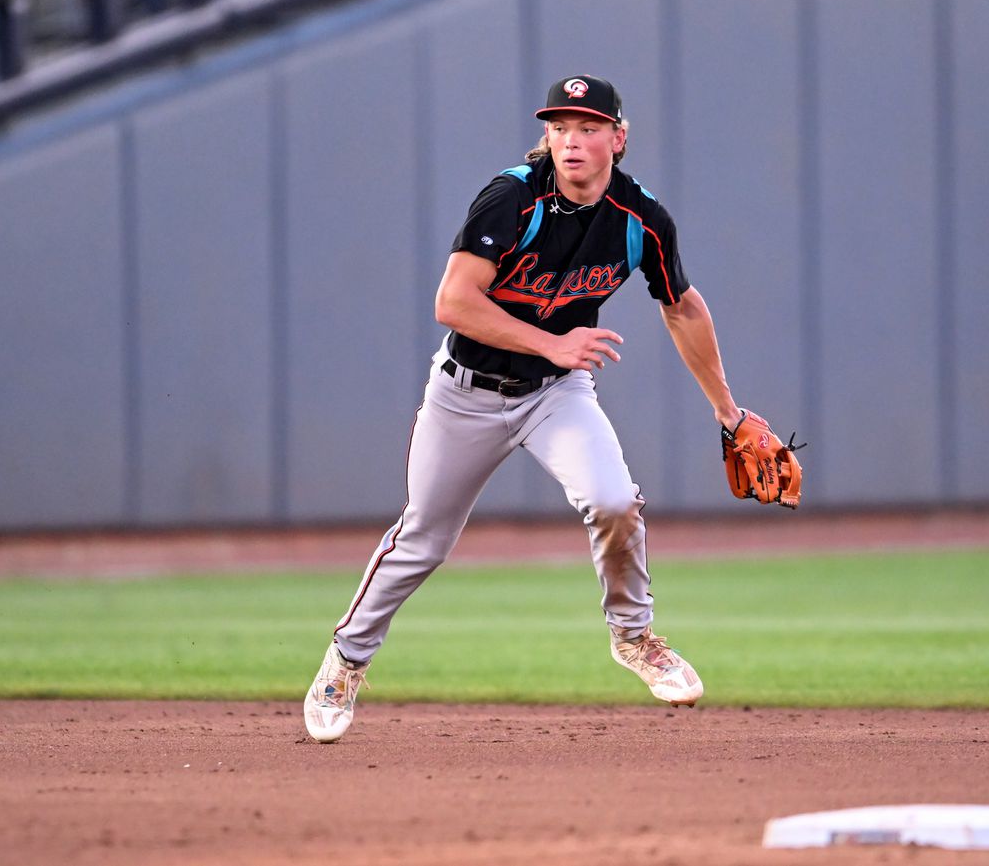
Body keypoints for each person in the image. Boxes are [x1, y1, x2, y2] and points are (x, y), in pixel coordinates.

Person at [304, 74, 745, 744]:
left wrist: (728, 412)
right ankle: (346, 660)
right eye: (560, 127)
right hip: (464, 393)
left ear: (618, 139)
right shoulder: (511, 197)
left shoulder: (641, 219)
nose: (572, 141)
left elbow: (681, 306)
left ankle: (634, 637)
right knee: (423, 539)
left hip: (554, 393)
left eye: (588, 128)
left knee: (614, 500)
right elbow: (453, 302)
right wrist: (553, 342)